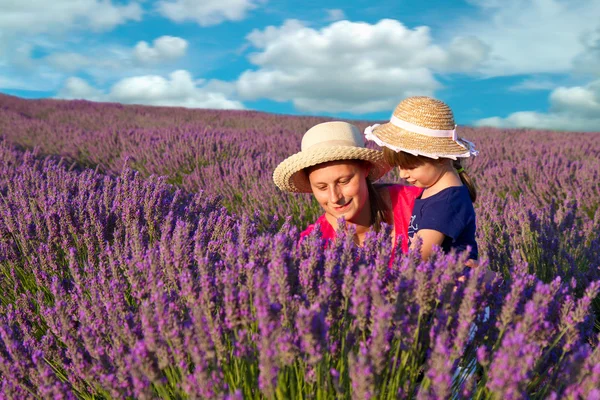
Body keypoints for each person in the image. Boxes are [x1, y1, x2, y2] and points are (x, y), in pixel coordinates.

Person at [272, 121, 421, 252]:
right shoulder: (312, 245)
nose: (334, 197)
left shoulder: (417, 203)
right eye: (322, 187)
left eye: (343, 181)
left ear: (366, 169)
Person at [364, 96, 479, 261]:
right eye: (399, 166)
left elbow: (419, 255)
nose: (403, 174)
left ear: (441, 158)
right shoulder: (436, 190)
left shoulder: (446, 202)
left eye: (410, 167)